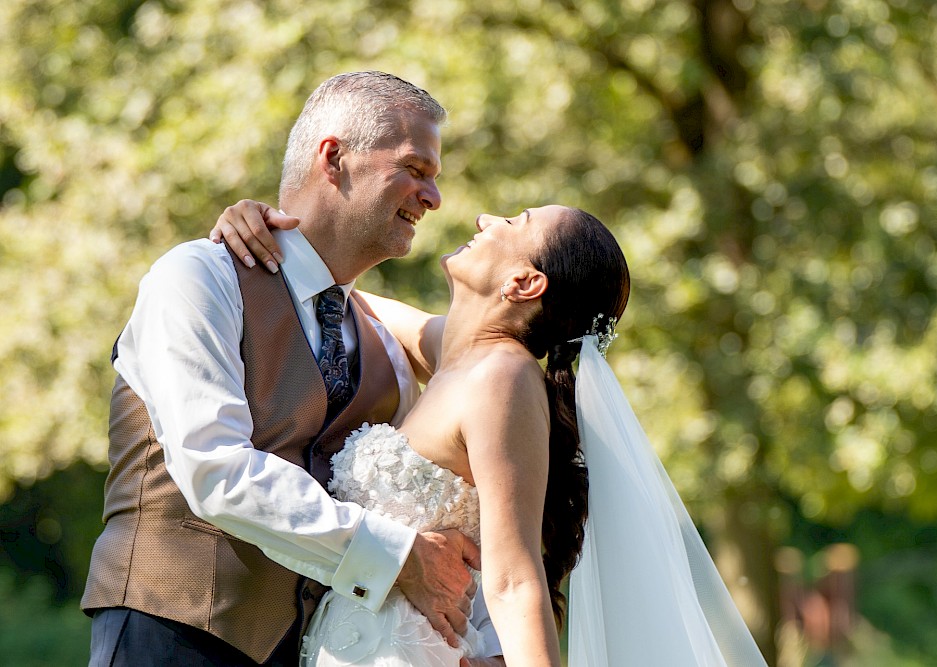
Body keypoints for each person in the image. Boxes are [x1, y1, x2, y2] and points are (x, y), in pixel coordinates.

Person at [215, 201, 769, 666]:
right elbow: (341, 293)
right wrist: (261, 227)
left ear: (524, 282)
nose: (485, 219)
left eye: (514, 222)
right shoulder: (462, 358)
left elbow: (515, 579)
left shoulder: (502, 378)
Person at [81, 71, 502, 667]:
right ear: (334, 157)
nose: (434, 199)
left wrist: (492, 646)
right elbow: (214, 469)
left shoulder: (386, 352)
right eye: (416, 169)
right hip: (167, 635)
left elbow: (444, 503)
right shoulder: (200, 278)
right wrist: (397, 558)